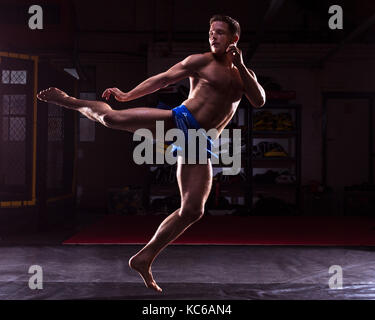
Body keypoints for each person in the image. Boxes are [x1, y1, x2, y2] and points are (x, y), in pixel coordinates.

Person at [37, 14, 266, 292]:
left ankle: (144, 257)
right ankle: (70, 100)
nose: (213, 37)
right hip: (180, 119)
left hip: (199, 140)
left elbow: (259, 100)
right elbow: (163, 79)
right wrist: (126, 95)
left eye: (219, 33)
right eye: (211, 32)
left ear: (234, 39)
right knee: (112, 119)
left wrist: (241, 64)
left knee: (193, 210)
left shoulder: (243, 75)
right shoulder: (200, 62)